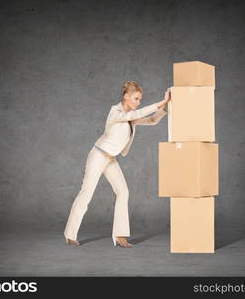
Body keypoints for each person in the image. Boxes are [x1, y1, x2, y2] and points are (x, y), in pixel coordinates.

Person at [63, 81, 171, 247]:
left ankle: (120, 236)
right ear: (126, 96)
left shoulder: (130, 118)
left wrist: (165, 107)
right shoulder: (115, 112)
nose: (138, 102)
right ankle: (70, 235)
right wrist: (159, 103)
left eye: (140, 99)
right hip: (98, 156)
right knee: (86, 194)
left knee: (123, 192)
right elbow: (134, 115)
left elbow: (152, 120)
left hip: (110, 159)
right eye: (136, 98)